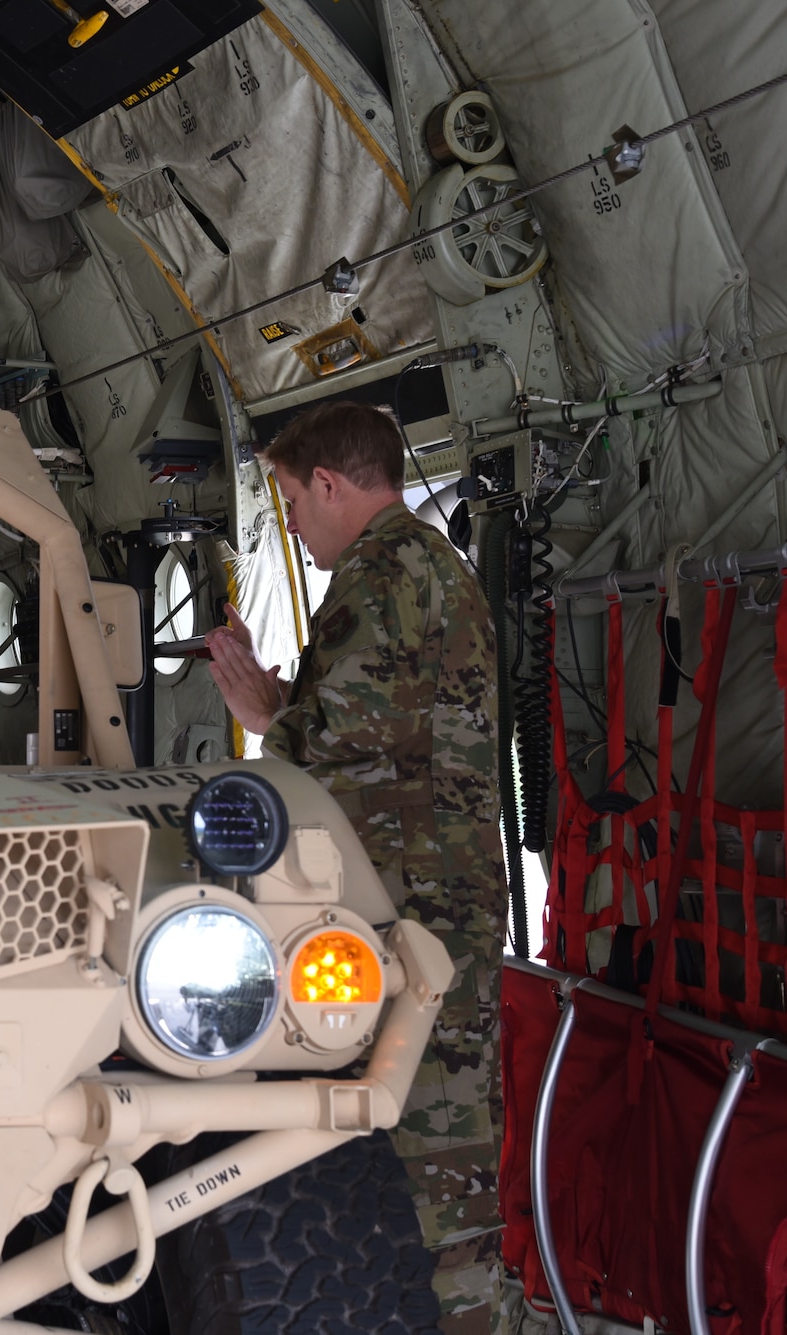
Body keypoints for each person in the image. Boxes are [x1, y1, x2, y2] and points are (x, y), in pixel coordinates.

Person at [206, 400, 506, 1335]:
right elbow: (397, 724)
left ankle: (462, 1318)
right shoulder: (432, 568)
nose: (292, 526)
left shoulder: (379, 574)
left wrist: (266, 715)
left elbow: (338, 748)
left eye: (293, 502)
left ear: (331, 484)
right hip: (442, 891)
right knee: (447, 1132)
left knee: (427, 1155)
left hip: (412, 904)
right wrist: (287, 701)